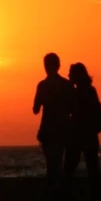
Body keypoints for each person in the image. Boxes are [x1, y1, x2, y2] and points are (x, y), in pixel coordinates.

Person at [64, 62, 101, 199]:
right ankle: (97, 193)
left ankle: (68, 191)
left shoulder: (79, 92)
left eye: (71, 73)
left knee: (71, 164)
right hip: (89, 132)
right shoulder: (90, 90)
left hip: (79, 132)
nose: (70, 76)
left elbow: (72, 110)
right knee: (92, 164)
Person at [33, 52, 76, 193]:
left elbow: (35, 109)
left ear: (45, 66)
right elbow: (73, 107)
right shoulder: (68, 85)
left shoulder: (42, 85)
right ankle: (59, 188)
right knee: (58, 159)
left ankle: (54, 188)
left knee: (51, 161)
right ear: (58, 66)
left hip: (48, 128)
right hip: (64, 127)